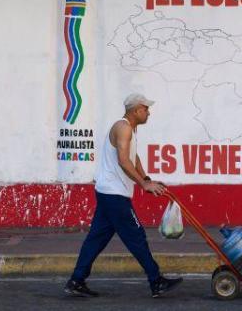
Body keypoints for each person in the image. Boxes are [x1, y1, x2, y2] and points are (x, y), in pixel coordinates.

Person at [65, 93, 183, 298]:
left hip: (109, 192)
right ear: (136, 109)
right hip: (115, 195)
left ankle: (76, 280)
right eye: (146, 109)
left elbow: (132, 156)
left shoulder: (129, 129)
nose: (149, 113)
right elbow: (123, 160)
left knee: (96, 239)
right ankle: (156, 281)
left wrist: (146, 177)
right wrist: (144, 184)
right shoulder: (124, 128)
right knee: (136, 236)